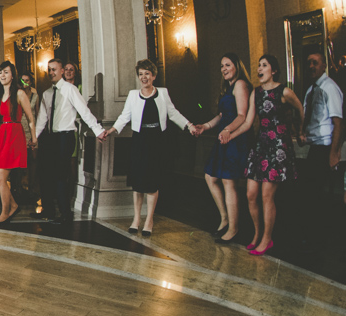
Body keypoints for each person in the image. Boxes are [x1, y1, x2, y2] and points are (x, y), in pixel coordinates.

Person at [100, 59, 197, 236]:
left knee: (152, 182)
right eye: (141, 74)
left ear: (153, 76)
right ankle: (136, 219)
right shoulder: (133, 95)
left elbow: (173, 113)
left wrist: (189, 125)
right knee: (138, 182)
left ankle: (149, 220)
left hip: (157, 141)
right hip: (139, 140)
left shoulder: (163, 93)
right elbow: (125, 116)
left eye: (147, 73)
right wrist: (111, 130)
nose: (144, 77)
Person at [222, 54, 303, 256]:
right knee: (251, 194)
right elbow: (248, 123)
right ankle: (258, 234)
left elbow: (301, 109)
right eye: (259, 65)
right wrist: (230, 134)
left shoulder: (284, 91)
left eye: (264, 65)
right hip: (261, 146)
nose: (259, 69)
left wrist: (301, 130)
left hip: (279, 147)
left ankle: (267, 239)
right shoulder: (255, 93)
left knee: (267, 195)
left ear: (273, 70)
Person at [33, 58, 102, 225]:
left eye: (54, 69)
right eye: (49, 70)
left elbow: (84, 111)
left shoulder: (70, 90)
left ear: (62, 71)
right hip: (50, 138)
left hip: (66, 136)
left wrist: (98, 130)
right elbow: (42, 118)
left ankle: (65, 214)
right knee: (46, 174)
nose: (51, 72)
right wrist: (34, 137)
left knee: (60, 175)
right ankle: (48, 211)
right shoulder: (47, 93)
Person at [194, 53, 252, 243]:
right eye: (221, 66)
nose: (224, 69)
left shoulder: (241, 84)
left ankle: (233, 228)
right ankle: (225, 218)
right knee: (210, 177)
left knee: (228, 182)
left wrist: (228, 130)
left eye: (227, 65)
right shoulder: (227, 88)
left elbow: (242, 115)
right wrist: (205, 126)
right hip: (223, 137)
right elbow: (221, 115)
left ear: (237, 66)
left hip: (235, 138)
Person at [0, 61, 36, 225]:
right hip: (2, 136)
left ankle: (5, 214)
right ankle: (13, 205)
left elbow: (30, 118)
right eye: (0, 72)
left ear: (13, 75)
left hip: (14, 135)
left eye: (6, 72)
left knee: (0, 178)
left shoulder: (19, 93)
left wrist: (34, 138)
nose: (2, 75)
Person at [300, 50, 342, 199]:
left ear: (323, 66)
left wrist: (334, 153)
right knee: (310, 193)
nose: (311, 66)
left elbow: (338, 122)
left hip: (324, 148)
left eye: (315, 63)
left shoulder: (329, 87)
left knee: (318, 194)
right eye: (309, 63)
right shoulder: (311, 90)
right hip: (314, 147)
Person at [19, 72, 40, 214]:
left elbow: (37, 113)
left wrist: (36, 133)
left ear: (31, 82)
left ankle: (32, 188)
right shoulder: (18, 94)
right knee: (21, 161)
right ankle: (20, 188)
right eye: (23, 80)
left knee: (33, 159)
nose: (25, 83)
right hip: (20, 129)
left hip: (32, 129)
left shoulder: (35, 95)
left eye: (27, 80)